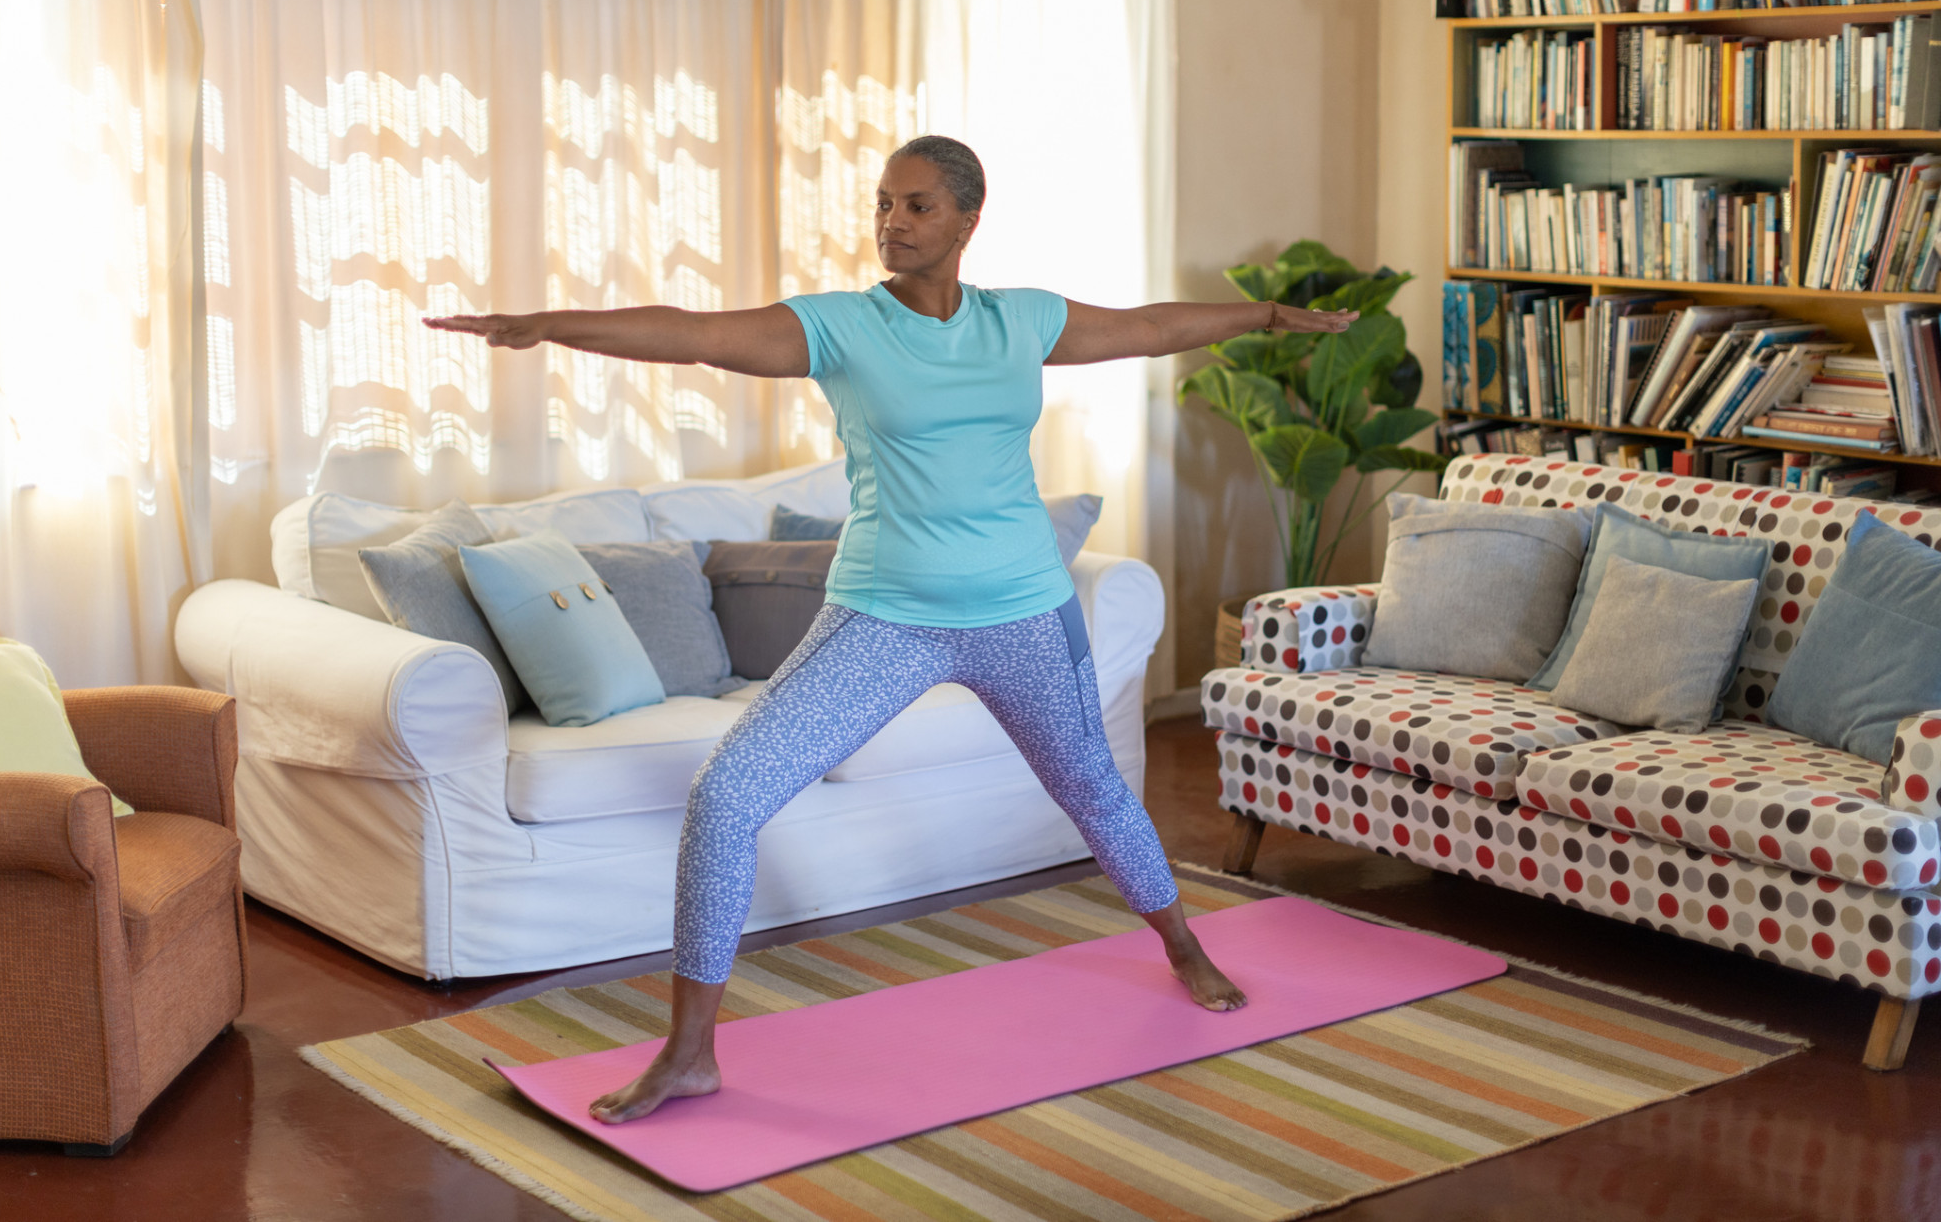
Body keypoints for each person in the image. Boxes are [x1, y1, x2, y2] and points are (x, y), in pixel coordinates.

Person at [426, 135, 1357, 1124]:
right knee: (726, 796)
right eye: (882, 205)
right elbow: (692, 331)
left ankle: (1182, 946)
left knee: (1089, 785)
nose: (891, 224)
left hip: (1022, 611)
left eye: (915, 207)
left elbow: (1146, 327)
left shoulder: (1020, 320)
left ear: (966, 220)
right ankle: (689, 1051)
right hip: (885, 617)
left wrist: (1262, 315)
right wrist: (544, 326)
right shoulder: (841, 329)